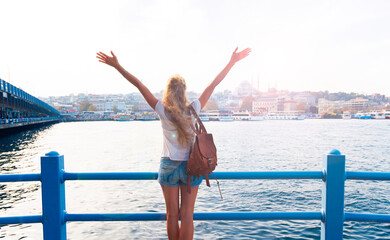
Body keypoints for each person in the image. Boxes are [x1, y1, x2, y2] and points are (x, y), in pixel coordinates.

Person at [96, 47, 251, 240]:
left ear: (168, 91)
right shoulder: (194, 108)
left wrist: (117, 66)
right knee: (187, 216)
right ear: (184, 92)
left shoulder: (162, 109)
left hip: (168, 166)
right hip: (191, 167)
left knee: (171, 216)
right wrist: (231, 62)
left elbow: (138, 84)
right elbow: (213, 85)